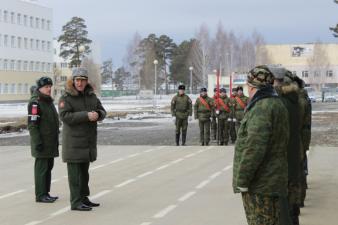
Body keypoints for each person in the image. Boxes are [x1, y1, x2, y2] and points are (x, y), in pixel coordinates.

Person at [233, 65, 290, 225]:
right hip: (272, 180)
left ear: (251, 87)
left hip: (260, 184)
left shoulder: (261, 108)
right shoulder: (276, 103)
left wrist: (243, 180)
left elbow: (255, 147)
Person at [59, 68, 106, 211]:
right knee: (75, 176)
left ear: (86, 81)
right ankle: (75, 201)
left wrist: (98, 114)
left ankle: (84, 197)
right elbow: (65, 116)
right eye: (77, 80)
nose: (80, 83)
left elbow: (102, 111)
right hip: (73, 143)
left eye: (83, 80)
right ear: (73, 81)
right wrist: (86, 115)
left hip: (87, 143)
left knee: (84, 174)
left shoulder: (91, 96)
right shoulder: (66, 98)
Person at [272, 67, 302, 225]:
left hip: (283, 163)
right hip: (293, 158)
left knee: (283, 211)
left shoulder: (280, 103)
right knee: (292, 208)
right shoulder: (294, 99)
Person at [28, 76, 59, 203]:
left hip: (50, 142)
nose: (49, 89)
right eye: (46, 87)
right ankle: (40, 195)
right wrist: (38, 142)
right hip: (42, 143)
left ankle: (46, 192)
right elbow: (32, 125)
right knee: (41, 170)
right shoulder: (35, 102)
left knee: (48, 168)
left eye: (50, 86)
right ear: (40, 88)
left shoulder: (48, 101)